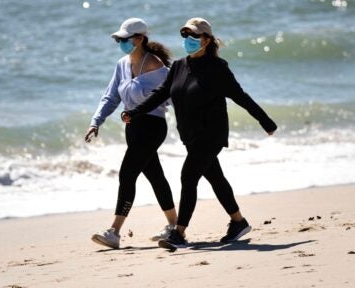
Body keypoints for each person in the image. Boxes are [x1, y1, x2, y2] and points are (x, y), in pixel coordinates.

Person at [121, 17, 277, 251]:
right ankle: (239, 222)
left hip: (211, 134)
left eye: (194, 36)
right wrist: (135, 111)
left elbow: (240, 96)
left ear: (206, 40)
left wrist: (265, 121)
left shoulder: (217, 68)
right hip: (190, 135)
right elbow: (161, 94)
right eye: (185, 35)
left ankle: (179, 233)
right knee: (215, 177)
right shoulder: (179, 66)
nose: (188, 40)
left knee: (188, 176)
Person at [85, 17, 178, 249]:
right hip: (133, 127)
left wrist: (195, 125)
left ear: (140, 39)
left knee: (127, 174)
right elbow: (111, 96)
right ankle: (174, 227)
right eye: (119, 39)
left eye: (125, 39)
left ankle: (114, 232)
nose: (122, 43)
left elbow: (176, 98)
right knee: (155, 176)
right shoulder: (122, 65)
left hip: (153, 126)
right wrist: (96, 121)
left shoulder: (157, 67)